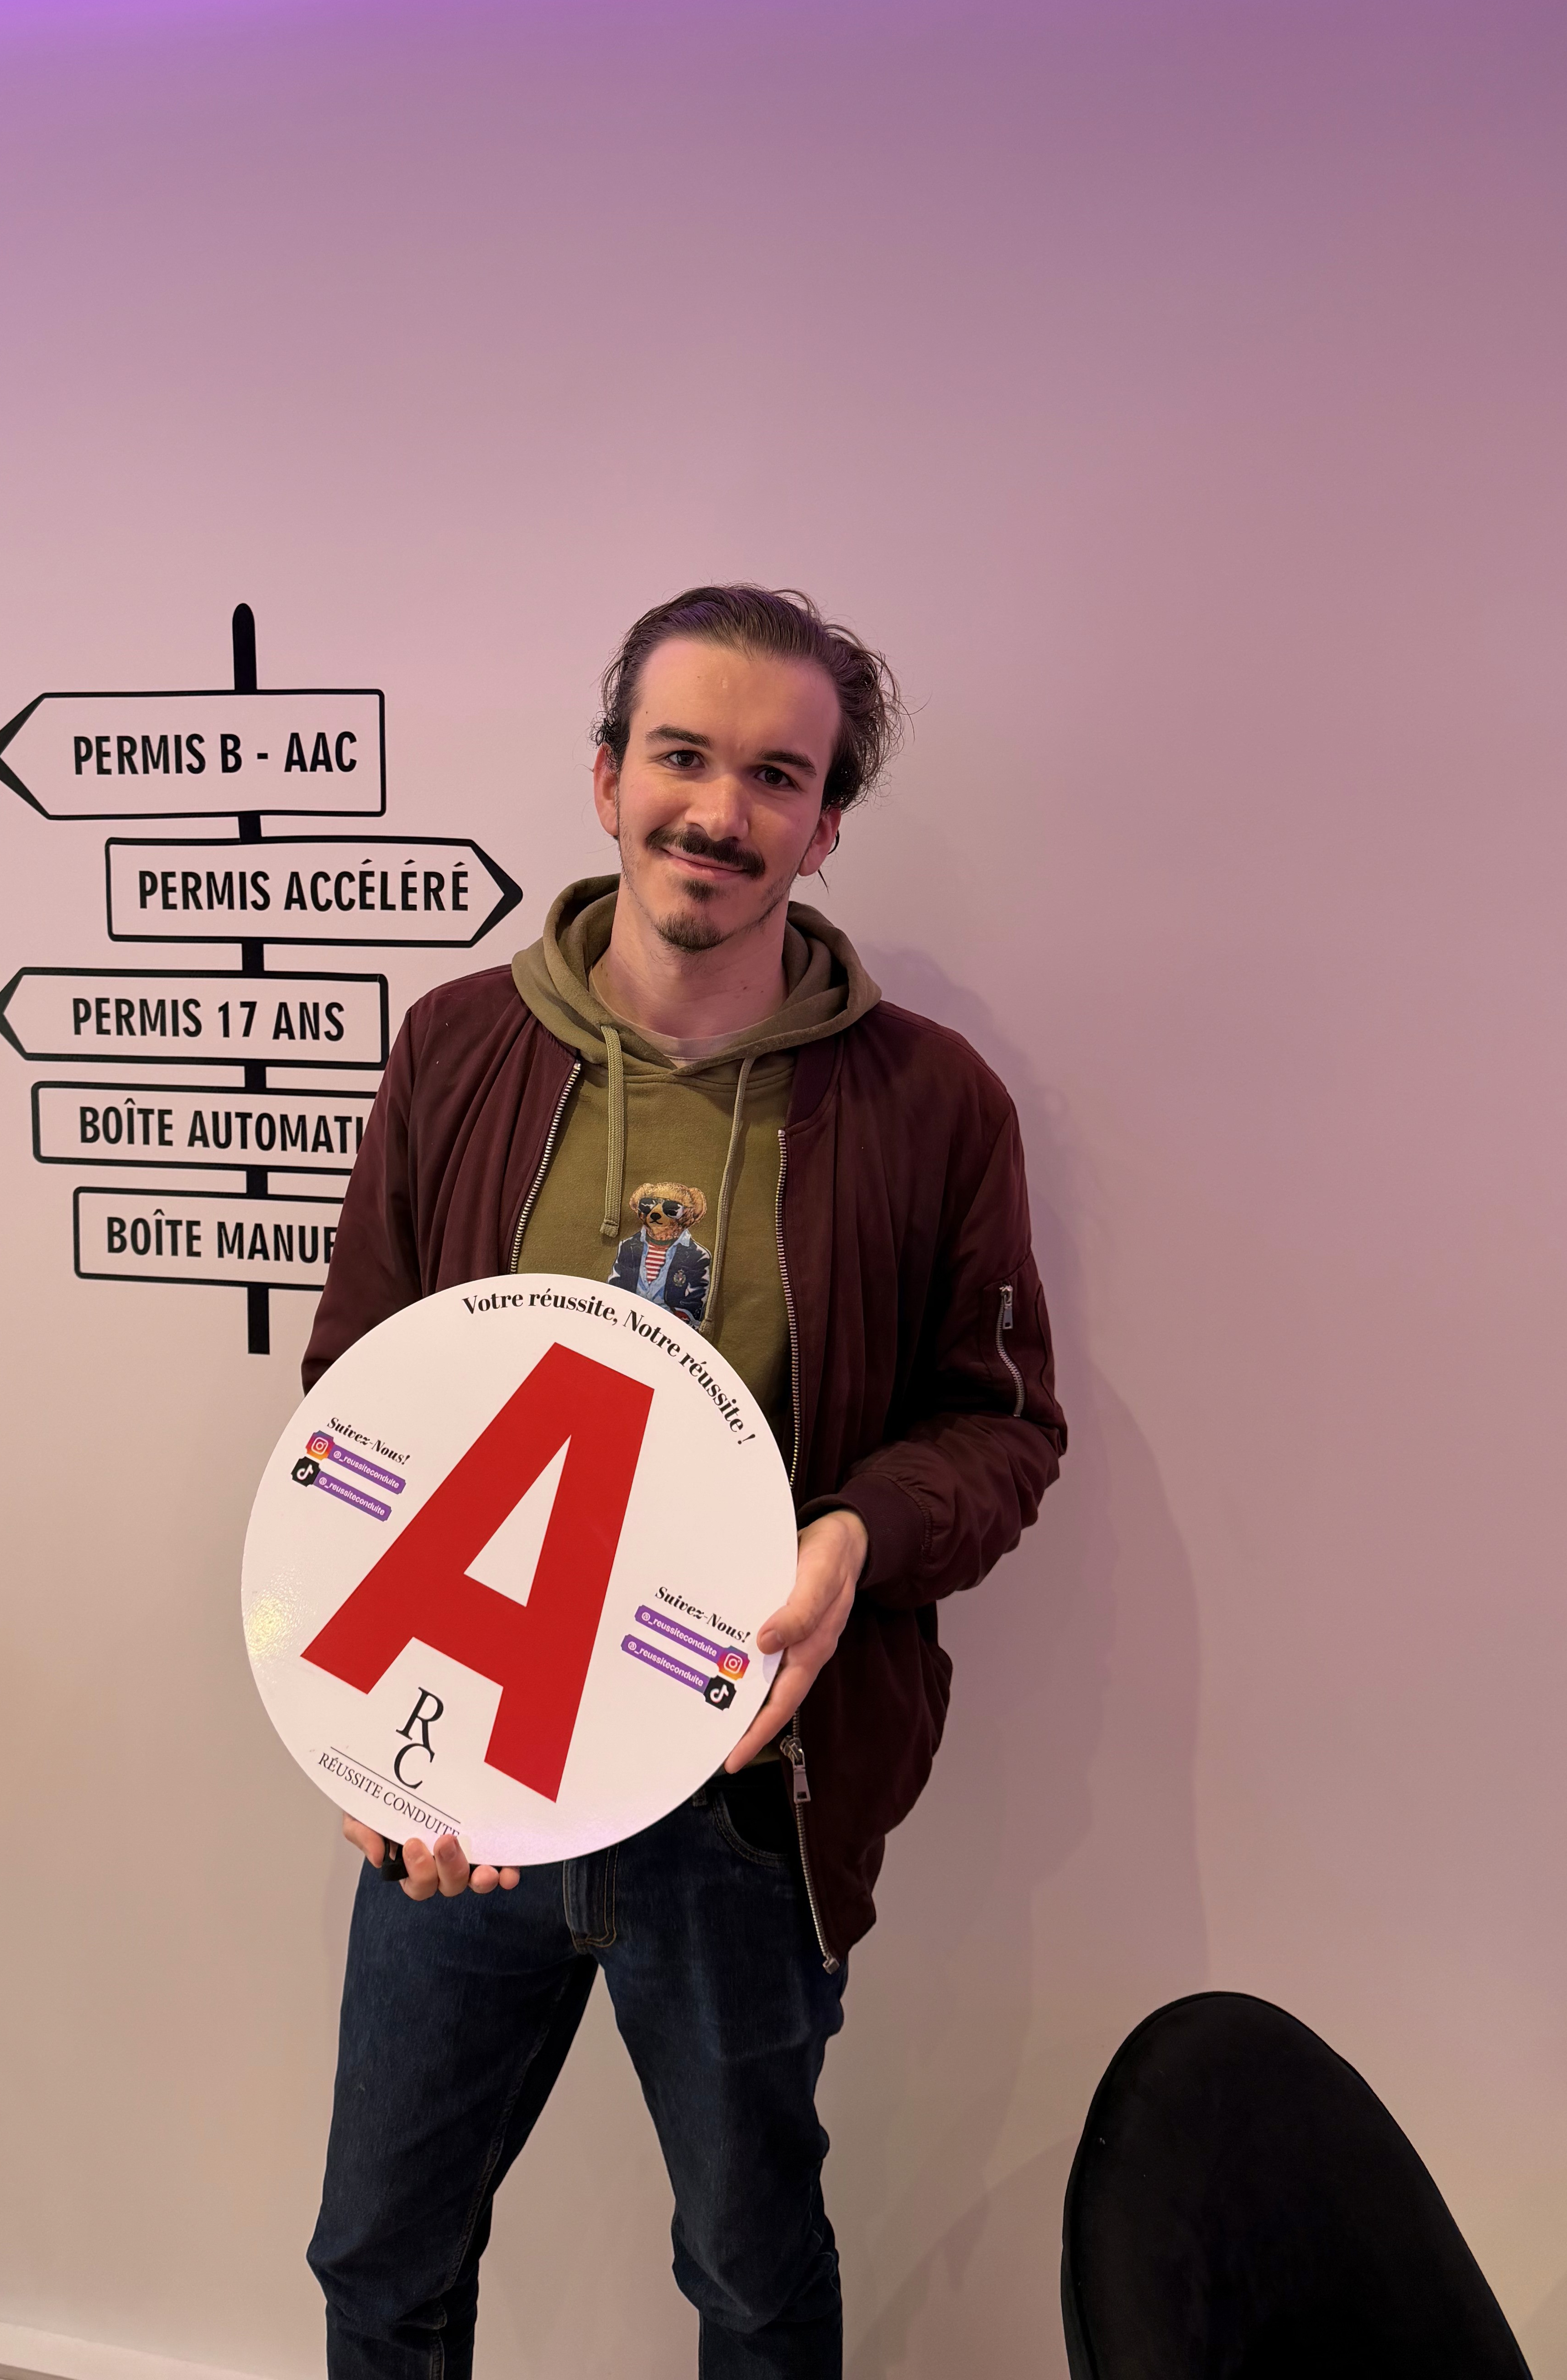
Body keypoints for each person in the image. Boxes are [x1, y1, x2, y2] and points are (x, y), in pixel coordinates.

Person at [302, 585, 1066, 2377]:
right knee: (380, 2261)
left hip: (745, 1805)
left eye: (773, 774)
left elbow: (1003, 1430)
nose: (717, 809)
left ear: (824, 824)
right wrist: (356, 1713)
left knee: (749, 2278)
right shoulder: (458, 1052)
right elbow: (361, 1402)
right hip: (468, 1782)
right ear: (605, 777)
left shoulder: (930, 1105)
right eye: (682, 755)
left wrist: (857, 1538)